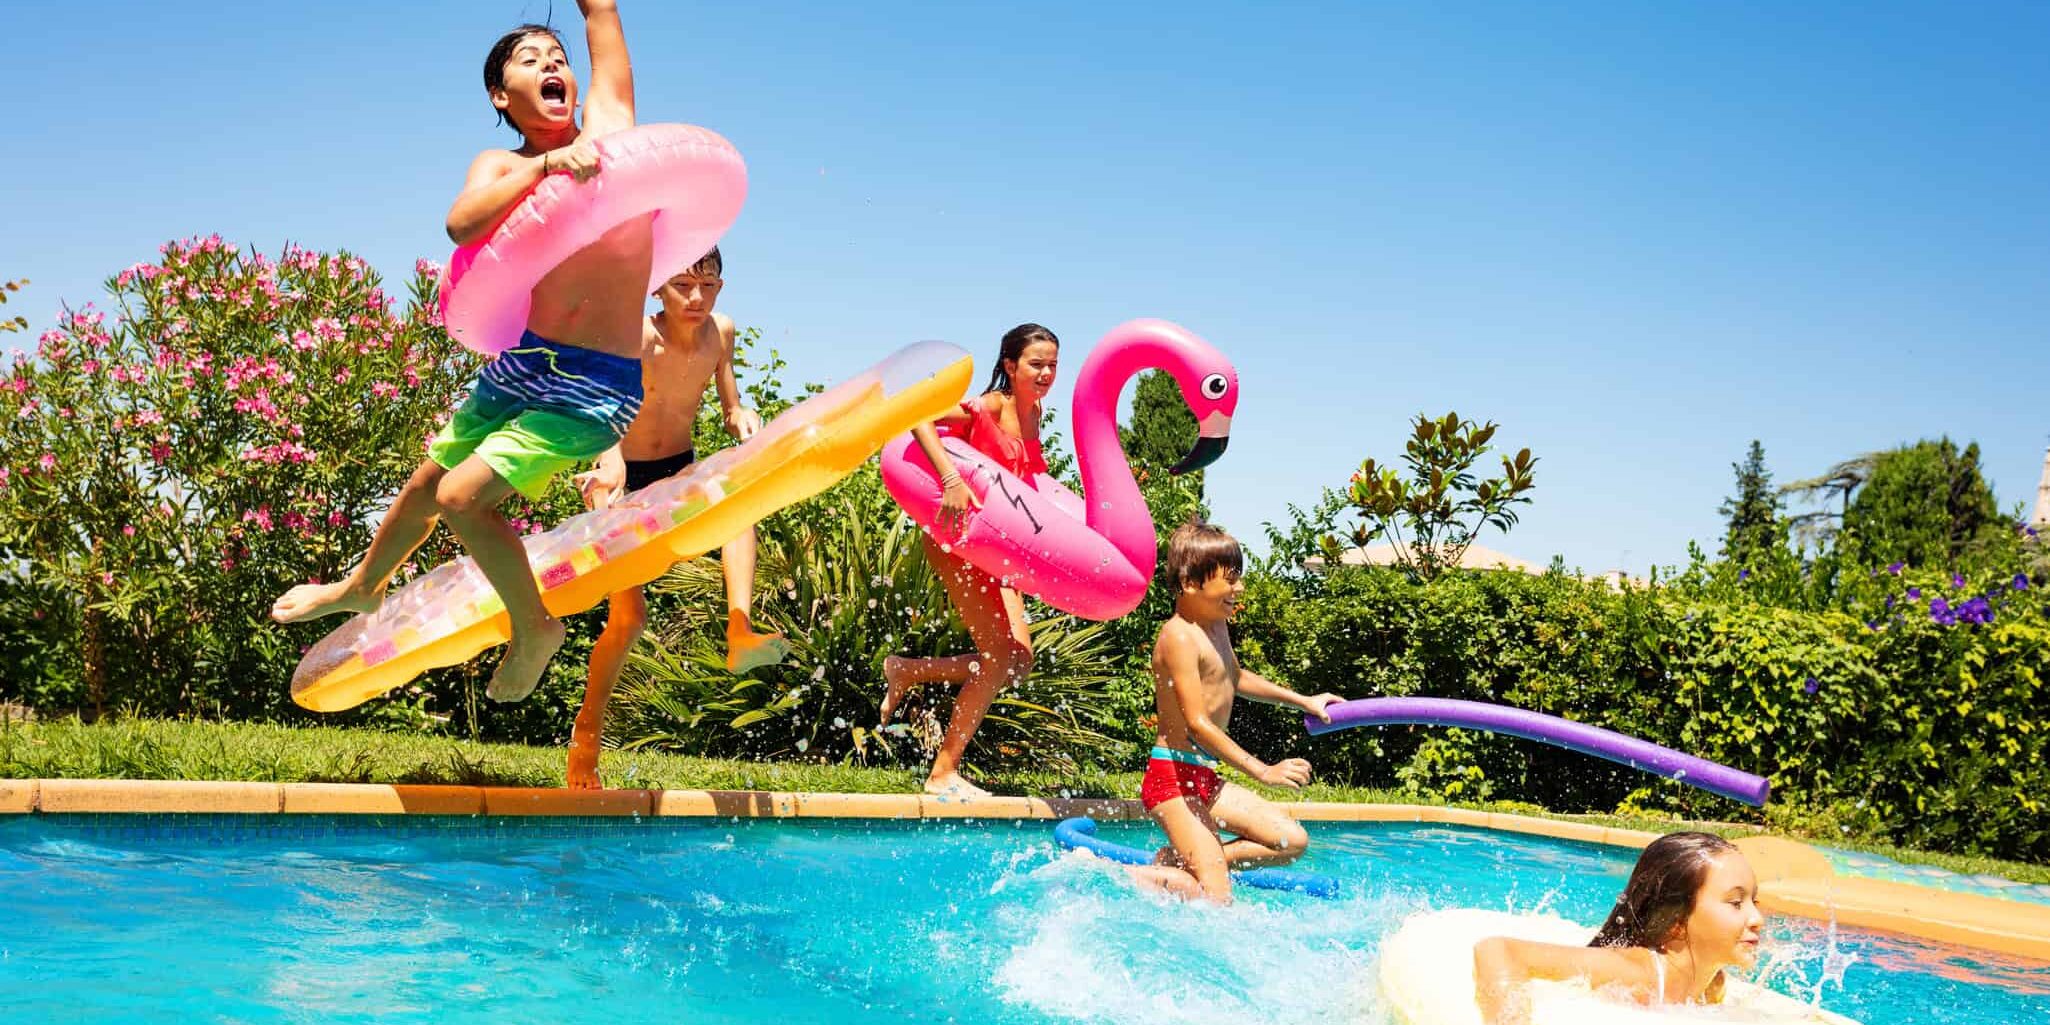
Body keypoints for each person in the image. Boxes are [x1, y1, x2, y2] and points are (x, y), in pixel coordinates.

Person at [271, 2, 651, 705]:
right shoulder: (503, 164)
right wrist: (544, 172)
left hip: (594, 383)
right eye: (531, 60)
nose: (553, 66)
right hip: (524, 365)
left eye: (558, 58)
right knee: (425, 487)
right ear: (500, 96)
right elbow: (460, 222)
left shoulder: (612, 129)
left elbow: (600, 11)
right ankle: (361, 587)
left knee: (459, 499)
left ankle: (535, 625)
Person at [563, 246, 788, 790]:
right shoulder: (639, 337)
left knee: (738, 509)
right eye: (683, 286)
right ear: (656, 289)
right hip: (619, 471)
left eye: (708, 287)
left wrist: (743, 416)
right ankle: (584, 746)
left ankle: (740, 630)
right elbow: (604, 410)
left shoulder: (720, 332)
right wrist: (610, 465)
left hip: (676, 469)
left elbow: (730, 405)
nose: (696, 299)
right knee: (629, 620)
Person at [879, 323, 1060, 798]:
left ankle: (908, 670)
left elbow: (1028, 482)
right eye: (1036, 364)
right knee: (998, 657)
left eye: (1052, 366)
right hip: (960, 537)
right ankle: (942, 774)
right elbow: (916, 414)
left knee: (1018, 661)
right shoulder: (990, 406)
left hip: (1000, 546)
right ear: (1009, 366)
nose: (1045, 373)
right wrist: (950, 481)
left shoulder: (1035, 412)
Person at [1124, 521, 1344, 903]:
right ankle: (1128, 877)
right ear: (1191, 583)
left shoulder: (1215, 626)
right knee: (1216, 901)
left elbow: (1236, 677)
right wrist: (1263, 771)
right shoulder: (1177, 635)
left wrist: (1304, 700)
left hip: (1203, 776)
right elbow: (1197, 723)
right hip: (1172, 779)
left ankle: (1182, 865)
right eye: (1229, 579)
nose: (1238, 588)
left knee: (1290, 841)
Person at [1472, 831, 1766, 1023]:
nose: (1757, 919)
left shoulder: (1711, 984)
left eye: (1754, 900)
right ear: (1676, 921)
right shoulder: (1638, 974)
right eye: (1736, 903)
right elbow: (1499, 950)